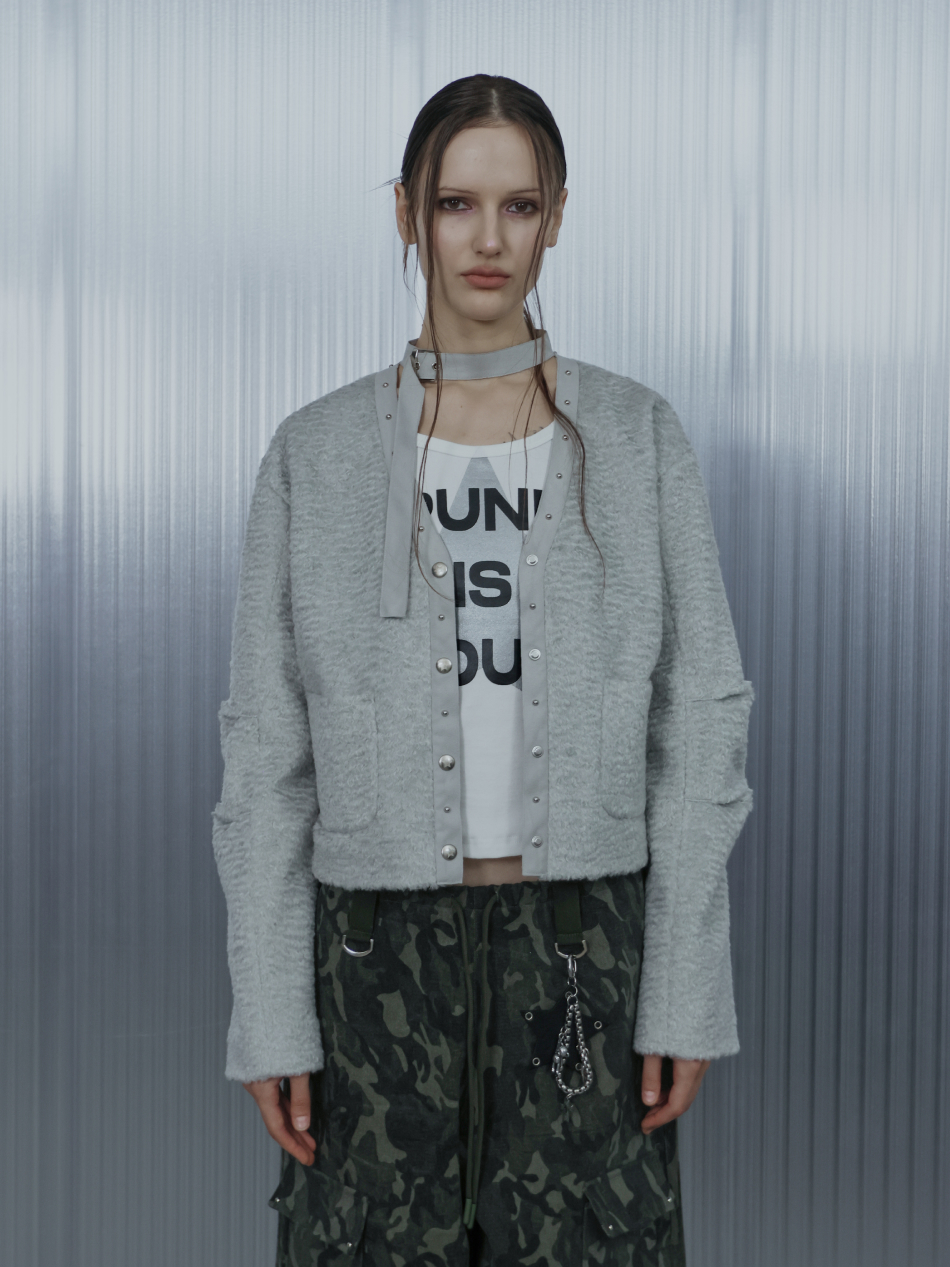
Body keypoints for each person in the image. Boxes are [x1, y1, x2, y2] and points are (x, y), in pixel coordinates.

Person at [212, 73, 754, 1267]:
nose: (488, 239)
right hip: (371, 956)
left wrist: (681, 988)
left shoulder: (636, 437)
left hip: (583, 946)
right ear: (406, 213)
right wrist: (271, 1013)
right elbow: (265, 757)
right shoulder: (314, 454)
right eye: (455, 203)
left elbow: (702, 719)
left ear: (556, 215)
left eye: (519, 205)